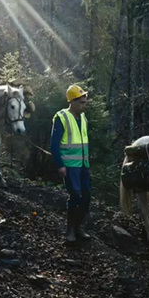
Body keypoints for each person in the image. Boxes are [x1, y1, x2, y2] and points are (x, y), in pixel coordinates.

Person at [50, 84, 91, 242]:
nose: (84, 105)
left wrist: (87, 163)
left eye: (85, 102)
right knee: (75, 196)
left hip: (83, 165)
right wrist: (60, 165)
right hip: (69, 166)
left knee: (86, 197)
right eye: (81, 102)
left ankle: (79, 227)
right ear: (72, 102)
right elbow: (54, 145)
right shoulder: (61, 117)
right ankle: (70, 231)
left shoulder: (83, 118)